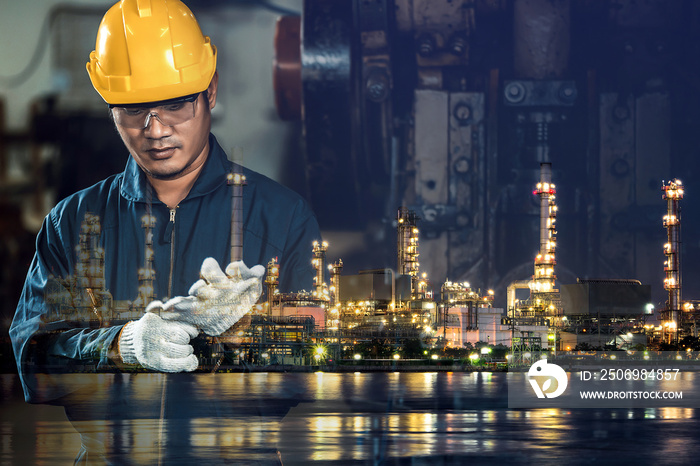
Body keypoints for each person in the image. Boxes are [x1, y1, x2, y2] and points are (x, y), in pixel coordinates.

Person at [10, 0, 320, 463]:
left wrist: (240, 337)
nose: (155, 130)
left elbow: (314, 373)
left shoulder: (283, 217)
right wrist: (120, 345)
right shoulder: (71, 223)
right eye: (133, 109)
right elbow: (33, 364)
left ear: (210, 91)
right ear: (110, 106)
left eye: (175, 104)